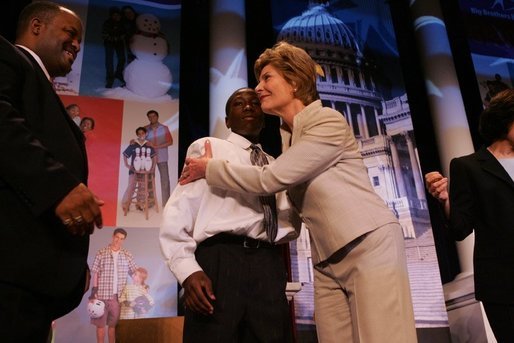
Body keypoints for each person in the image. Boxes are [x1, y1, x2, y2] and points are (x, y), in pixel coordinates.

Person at [180, 42, 417, 342]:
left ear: (293, 81)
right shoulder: (289, 139)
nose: (258, 87)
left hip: (367, 244)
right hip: (326, 260)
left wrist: (210, 169)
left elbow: (272, 179)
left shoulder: (326, 121)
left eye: (267, 78)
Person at [160, 87, 299, 342]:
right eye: (238, 103)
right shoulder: (208, 148)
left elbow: (288, 218)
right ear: (227, 121)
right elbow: (179, 212)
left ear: (264, 115)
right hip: (220, 260)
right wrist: (188, 270)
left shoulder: (277, 166)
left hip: (268, 264)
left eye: (255, 103)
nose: (248, 107)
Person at [0, 2, 104, 341]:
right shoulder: (8, 58)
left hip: (34, 283)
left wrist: (72, 262)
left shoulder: (43, 88)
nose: (76, 44)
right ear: (36, 26)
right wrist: (59, 187)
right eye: (70, 33)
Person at [425, 89, 514, 341]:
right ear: (506, 120)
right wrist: (445, 200)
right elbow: (460, 228)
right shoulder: (468, 166)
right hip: (504, 283)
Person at [89, 227, 138, 343]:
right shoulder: (101, 252)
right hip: (101, 295)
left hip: (117, 298)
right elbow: (95, 273)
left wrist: (140, 287)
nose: (118, 240)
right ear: (113, 236)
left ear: (124, 240)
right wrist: (94, 292)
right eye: (117, 237)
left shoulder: (127, 255)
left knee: (113, 328)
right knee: (100, 327)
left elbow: (134, 273)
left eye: (121, 239)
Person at [121, 126, 156, 213]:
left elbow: (154, 157)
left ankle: (140, 204)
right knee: (131, 186)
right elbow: (125, 155)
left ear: (146, 134)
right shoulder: (133, 144)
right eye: (139, 133)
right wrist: (127, 165)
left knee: (142, 188)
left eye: (142, 133)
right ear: (137, 135)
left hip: (145, 171)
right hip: (134, 170)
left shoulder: (148, 145)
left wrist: (152, 168)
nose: (141, 135)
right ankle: (126, 204)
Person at [145, 109, 173, 205]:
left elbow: (170, 142)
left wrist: (157, 146)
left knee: (165, 180)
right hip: (149, 158)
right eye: (150, 116)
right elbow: (142, 141)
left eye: (154, 116)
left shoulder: (164, 128)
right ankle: (151, 202)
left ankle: (166, 203)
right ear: (148, 118)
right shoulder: (145, 129)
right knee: (149, 180)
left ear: (157, 117)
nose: (152, 118)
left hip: (162, 157)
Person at [102, 6, 126, 88]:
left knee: (122, 58)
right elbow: (104, 35)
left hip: (119, 43)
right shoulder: (107, 23)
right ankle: (110, 79)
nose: (117, 17)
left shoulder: (122, 23)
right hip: (109, 43)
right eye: (115, 15)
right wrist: (116, 38)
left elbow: (125, 33)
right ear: (111, 16)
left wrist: (122, 37)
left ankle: (118, 74)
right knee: (109, 61)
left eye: (118, 15)